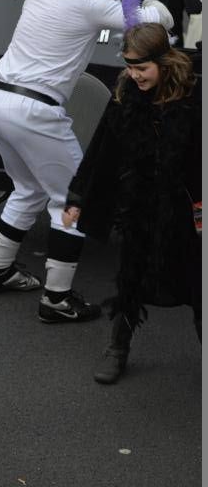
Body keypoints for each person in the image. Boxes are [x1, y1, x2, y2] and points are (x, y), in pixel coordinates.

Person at [0, 0, 174, 322]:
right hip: (36, 111)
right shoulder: (88, 4)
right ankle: (56, 298)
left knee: (29, 188)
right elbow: (161, 21)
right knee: (73, 201)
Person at [63, 23, 201, 383]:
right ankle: (118, 348)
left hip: (188, 207)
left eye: (142, 68)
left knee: (200, 283)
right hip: (140, 204)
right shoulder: (126, 96)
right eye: (130, 66)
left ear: (164, 61)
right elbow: (101, 152)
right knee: (131, 278)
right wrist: (78, 197)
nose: (134, 74)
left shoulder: (193, 96)